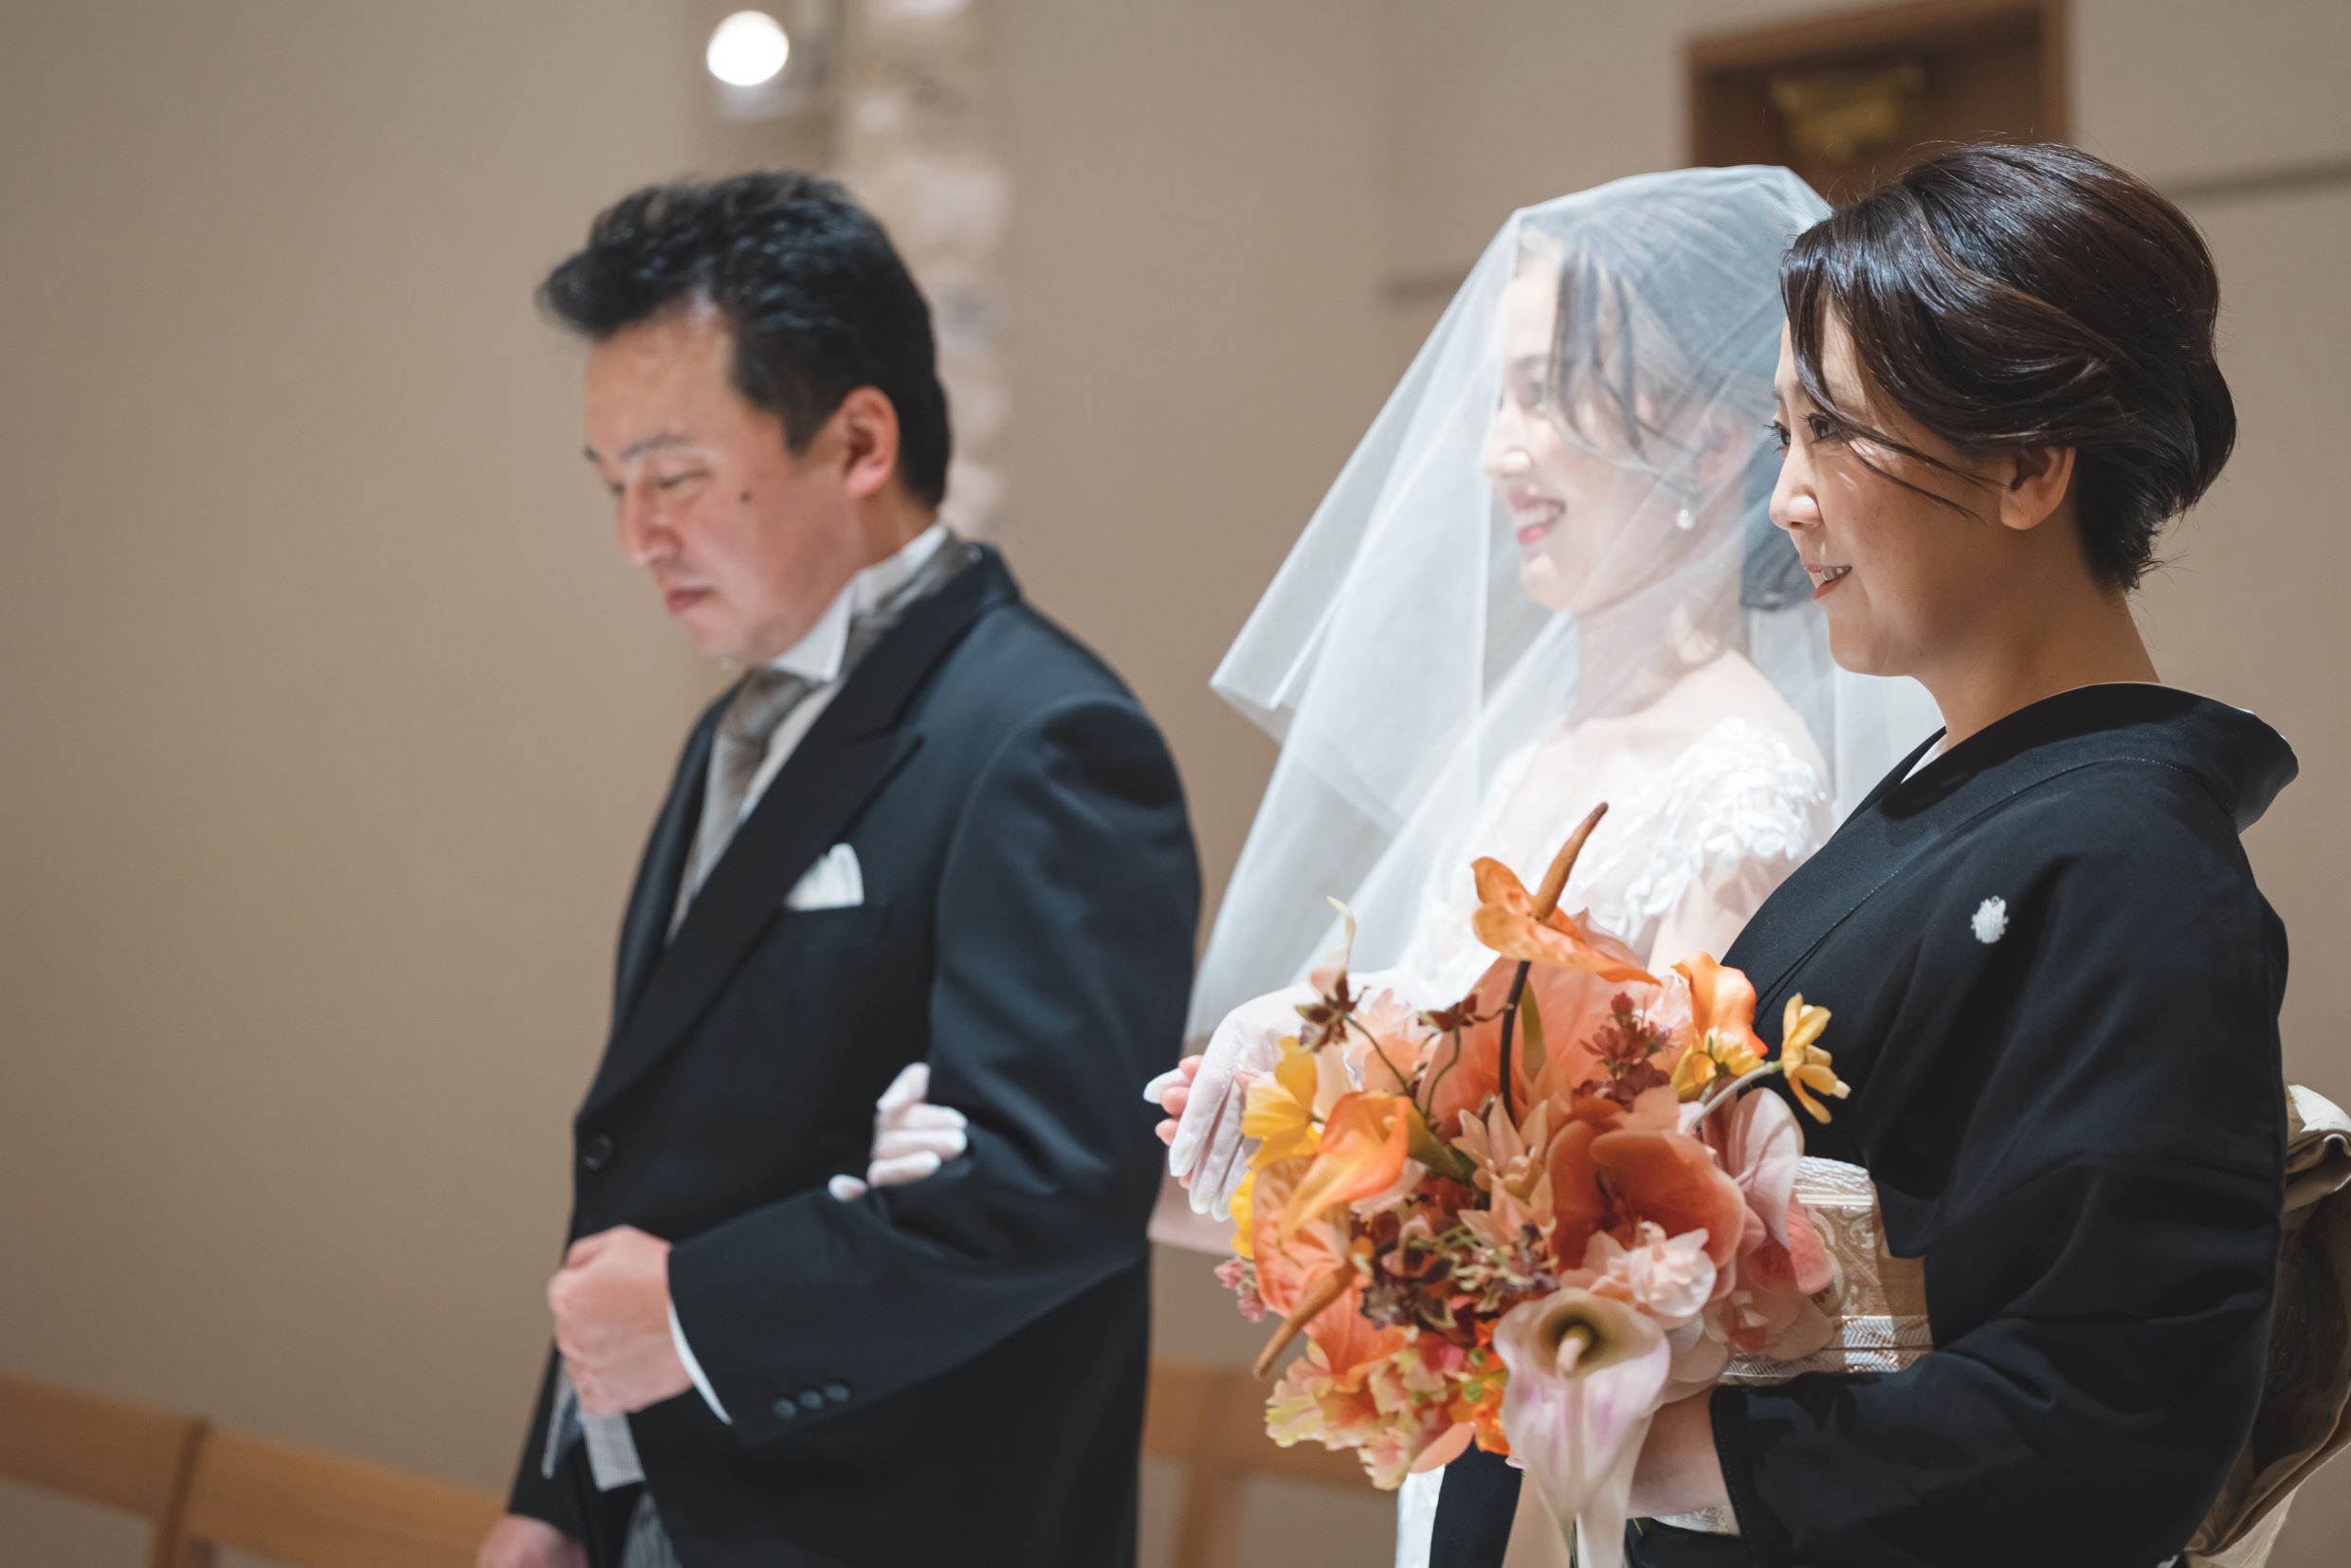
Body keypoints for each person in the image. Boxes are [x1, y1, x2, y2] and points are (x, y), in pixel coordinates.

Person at [875, 167, 1932, 1566]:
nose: (1499, 450)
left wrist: (1351, 1093)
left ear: (1709, 434)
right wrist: (1022, 1152)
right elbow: (1424, 1199)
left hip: (1578, 1499)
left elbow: (1664, 1261)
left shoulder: (1740, 791)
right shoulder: (1533, 756)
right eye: (1501, 396)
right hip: (1472, 1475)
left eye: (1549, 396)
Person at [1427, 141, 2298, 1568]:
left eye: (1833, 431)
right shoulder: (1975, 792)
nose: (1788, 497)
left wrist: (1665, 1452)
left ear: (2026, 466)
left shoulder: (2135, 868)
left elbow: (2112, 1408)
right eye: (1783, 434)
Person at [476, 172, 1200, 1568]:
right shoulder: (732, 731)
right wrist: (559, 1488)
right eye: (614, 485)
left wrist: (695, 1315)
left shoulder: (1045, 737)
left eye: (676, 477)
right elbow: (660, 1150)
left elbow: (1055, 1186)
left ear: (860, 440)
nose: (637, 536)